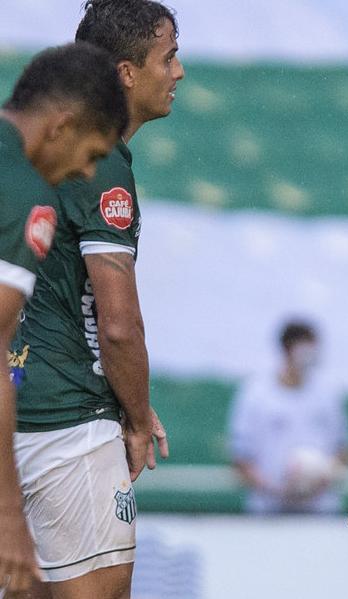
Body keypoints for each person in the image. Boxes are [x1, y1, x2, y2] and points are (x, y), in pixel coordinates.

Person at [9, 1, 184, 597]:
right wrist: (137, 419)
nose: (179, 71)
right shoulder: (101, 159)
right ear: (127, 73)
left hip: (17, 406)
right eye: (169, 55)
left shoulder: (28, 157)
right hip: (70, 426)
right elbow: (118, 325)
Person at [0, 43, 128, 595]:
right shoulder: (25, 196)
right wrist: (9, 519)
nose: (85, 170)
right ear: (62, 125)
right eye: (92, 152)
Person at [229, 320, 348, 514]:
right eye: (305, 349)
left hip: (320, 513)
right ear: (287, 349)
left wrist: (323, 479)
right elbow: (241, 459)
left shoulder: (329, 393)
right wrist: (277, 491)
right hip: (268, 513)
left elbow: (344, 452)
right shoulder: (256, 393)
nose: (310, 356)